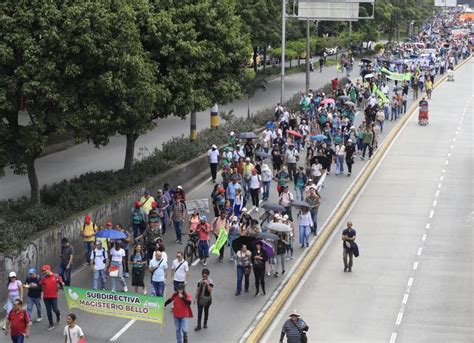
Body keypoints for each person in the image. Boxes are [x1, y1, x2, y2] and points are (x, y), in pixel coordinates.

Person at [39, 265, 64, 330]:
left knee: (55, 309)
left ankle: (58, 315)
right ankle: (51, 324)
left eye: (45, 270)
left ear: (49, 269)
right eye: (43, 271)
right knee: (48, 311)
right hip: (46, 297)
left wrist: (62, 285)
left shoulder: (56, 276)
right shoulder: (43, 278)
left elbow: (61, 283)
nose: (44, 272)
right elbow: (40, 285)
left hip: (54, 297)